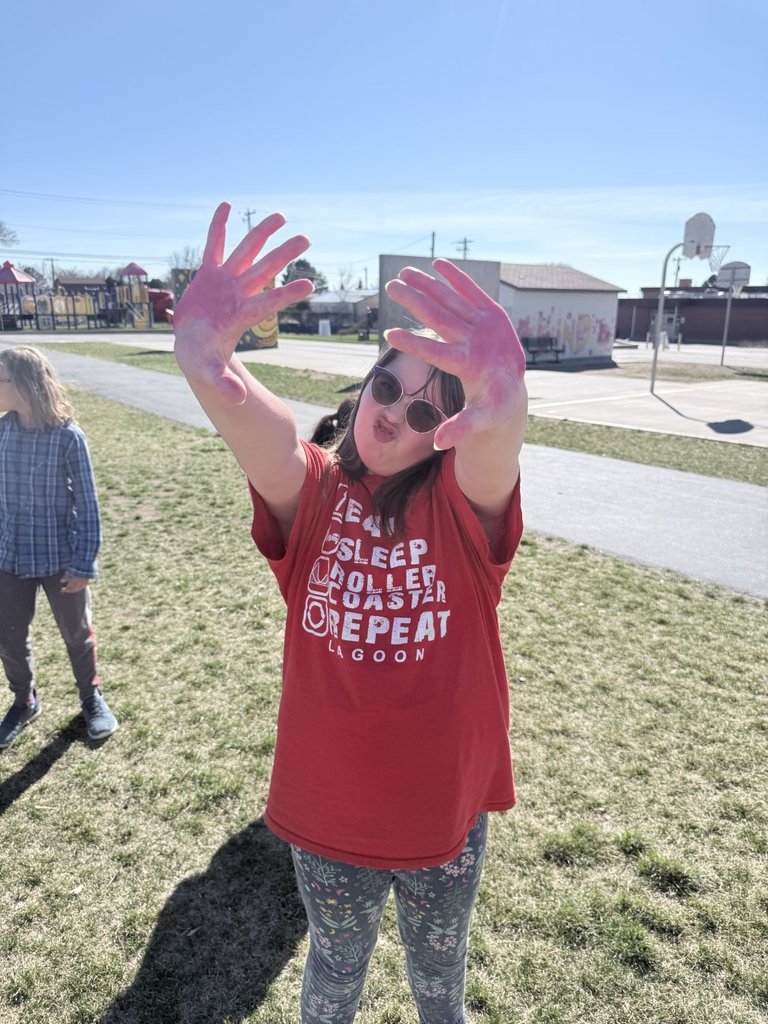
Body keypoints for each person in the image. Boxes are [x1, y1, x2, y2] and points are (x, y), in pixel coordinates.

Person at [173, 203, 528, 1024]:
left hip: (444, 813)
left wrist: (503, 402)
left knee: (441, 993)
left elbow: (492, 449)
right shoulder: (317, 497)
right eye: (388, 385)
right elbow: (253, 423)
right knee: (335, 976)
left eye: (429, 413)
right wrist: (202, 355)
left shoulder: (462, 513)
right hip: (329, 823)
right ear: (365, 380)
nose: (395, 413)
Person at [0, 346, 117, 748]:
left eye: (1, 378)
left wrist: (83, 565)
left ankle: (91, 699)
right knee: (9, 634)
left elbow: (88, 506)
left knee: (76, 633)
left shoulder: (68, 437)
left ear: (27, 385)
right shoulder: (2, 430)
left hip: (60, 559)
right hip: (9, 556)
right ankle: (24, 700)